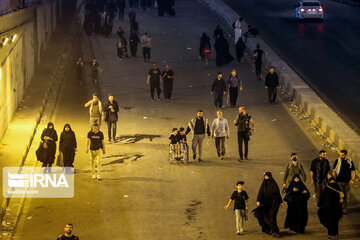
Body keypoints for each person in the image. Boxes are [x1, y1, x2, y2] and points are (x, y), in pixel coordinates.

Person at [256, 172, 283, 237]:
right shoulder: (263, 184)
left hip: (274, 203)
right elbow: (260, 192)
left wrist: (280, 201)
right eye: (265, 177)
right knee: (267, 216)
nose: (266, 178)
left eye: (267, 177)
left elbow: (277, 193)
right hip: (266, 203)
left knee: (272, 216)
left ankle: (274, 231)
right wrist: (258, 200)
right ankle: (270, 229)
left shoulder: (274, 184)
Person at [332, 149, 355, 214]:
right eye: (340, 155)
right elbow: (334, 170)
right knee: (338, 196)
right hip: (339, 181)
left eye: (342, 155)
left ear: (346, 155)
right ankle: (338, 208)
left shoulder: (350, 161)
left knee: (346, 196)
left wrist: (352, 179)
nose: (341, 156)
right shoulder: (337, 161)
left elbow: (352, 171)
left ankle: (344, 208)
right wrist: (333, 178)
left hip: (347, 182)